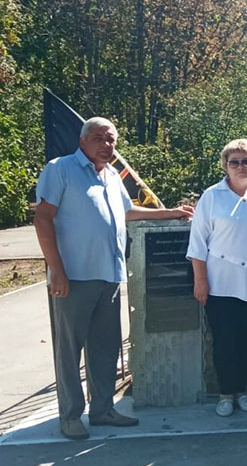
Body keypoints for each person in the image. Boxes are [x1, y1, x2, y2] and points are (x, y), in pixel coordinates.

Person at [34, 117, 194, 440]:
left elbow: (127, 212)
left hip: (108, 276)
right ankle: (70, 416)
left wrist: (172, 212)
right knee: (69, 350)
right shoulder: (60, 169)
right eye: (99, 139)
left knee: (105, 348)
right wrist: (57, 270)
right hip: (73, 278)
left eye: (111, 140)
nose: (107, 146)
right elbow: (42, 218)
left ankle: (103, 409)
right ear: (82, 142)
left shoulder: (110, 175)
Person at [187, 139, 247, 417]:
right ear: (225, 166)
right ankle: (225, 393)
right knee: (225, 341)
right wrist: (200, 280)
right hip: (220, 283)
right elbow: (197, 243)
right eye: (234, 162)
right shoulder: (211, 196)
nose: (240, 167)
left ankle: (242, 390)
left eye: (246, 161)